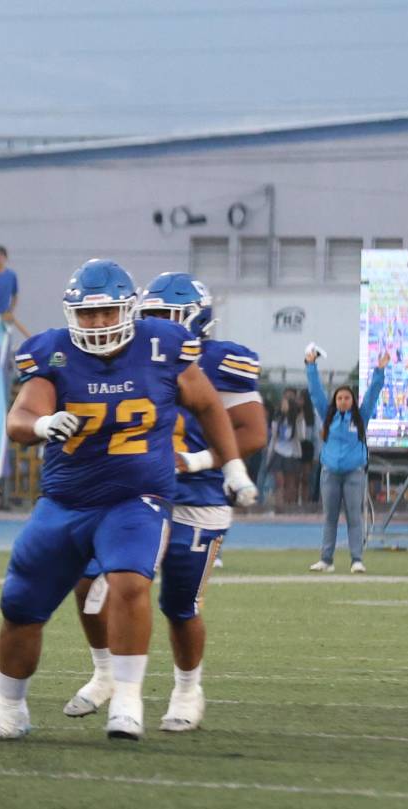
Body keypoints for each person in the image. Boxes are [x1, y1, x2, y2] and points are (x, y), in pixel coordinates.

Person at [0, 259, 256, 743]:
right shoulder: (54, 352)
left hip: (136, 498)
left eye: (107, 312)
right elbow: (20, 416)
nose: (97, 323)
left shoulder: (161, 345)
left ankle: (127, 699)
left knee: (129, 580)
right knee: (20, 603)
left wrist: (230, 466)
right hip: (65, 501)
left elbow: (207, 405)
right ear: (71, 313)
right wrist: (42, 424)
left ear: (129, 310)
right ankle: (9, 708)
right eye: (87, 313)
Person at [62, 273, 268, 733]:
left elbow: (253, 432)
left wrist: (196, 461)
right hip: (134, 491)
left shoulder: (220, 360)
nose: (158, 325)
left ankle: (187, 690)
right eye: (151, 315)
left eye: (167, 316)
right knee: (89, 583)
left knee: (180, 604)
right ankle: (104, 673)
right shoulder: (127, 352)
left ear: (199, 320)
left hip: (197, 497)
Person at [305, 343, 386, 574]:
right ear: (335, 400)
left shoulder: (361, 417)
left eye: (347, 398)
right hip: (330, 473)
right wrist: (311, 365)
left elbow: (373, 393)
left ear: (352, 400)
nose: (343, 401)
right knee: (329, 518)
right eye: (339, 398)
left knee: (354, 518)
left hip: (354, 473)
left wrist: (379, 370)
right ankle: (326, 560)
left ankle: (356, 560)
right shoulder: (327, 415)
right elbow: (315, 393)